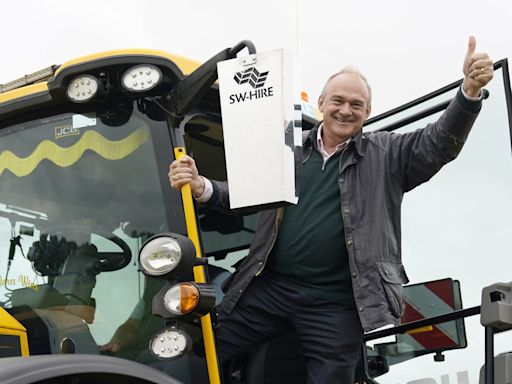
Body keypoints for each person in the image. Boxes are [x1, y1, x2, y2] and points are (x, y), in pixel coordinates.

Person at [169, 36, 493, 383]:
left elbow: (438, 144)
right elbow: (247, 194)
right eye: (338, 100)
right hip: (271, 289)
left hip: (336, 304)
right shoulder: (287, 152)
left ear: (367, 112)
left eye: (357, 104)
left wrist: (469, 94)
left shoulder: (387, 154)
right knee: (200, 353)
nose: (346, 110)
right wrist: (203, 187)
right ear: (322, 103)